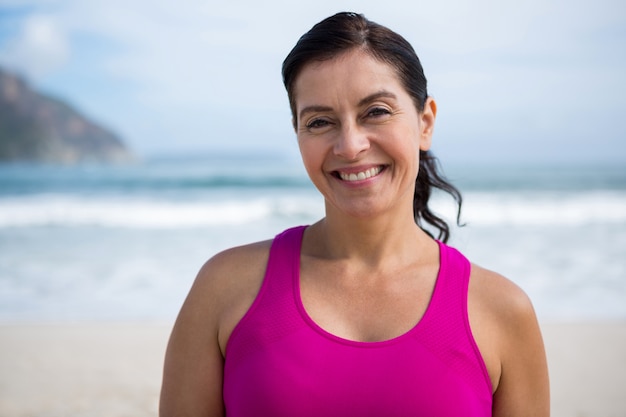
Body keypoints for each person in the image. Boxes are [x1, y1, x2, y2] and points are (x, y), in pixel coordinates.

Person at [159, 12, 549, 417]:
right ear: (297, 134)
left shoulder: (502, 311)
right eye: (320, 121)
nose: (349, 145)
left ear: (425, 122)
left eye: (376, 111)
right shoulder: (224, 289)